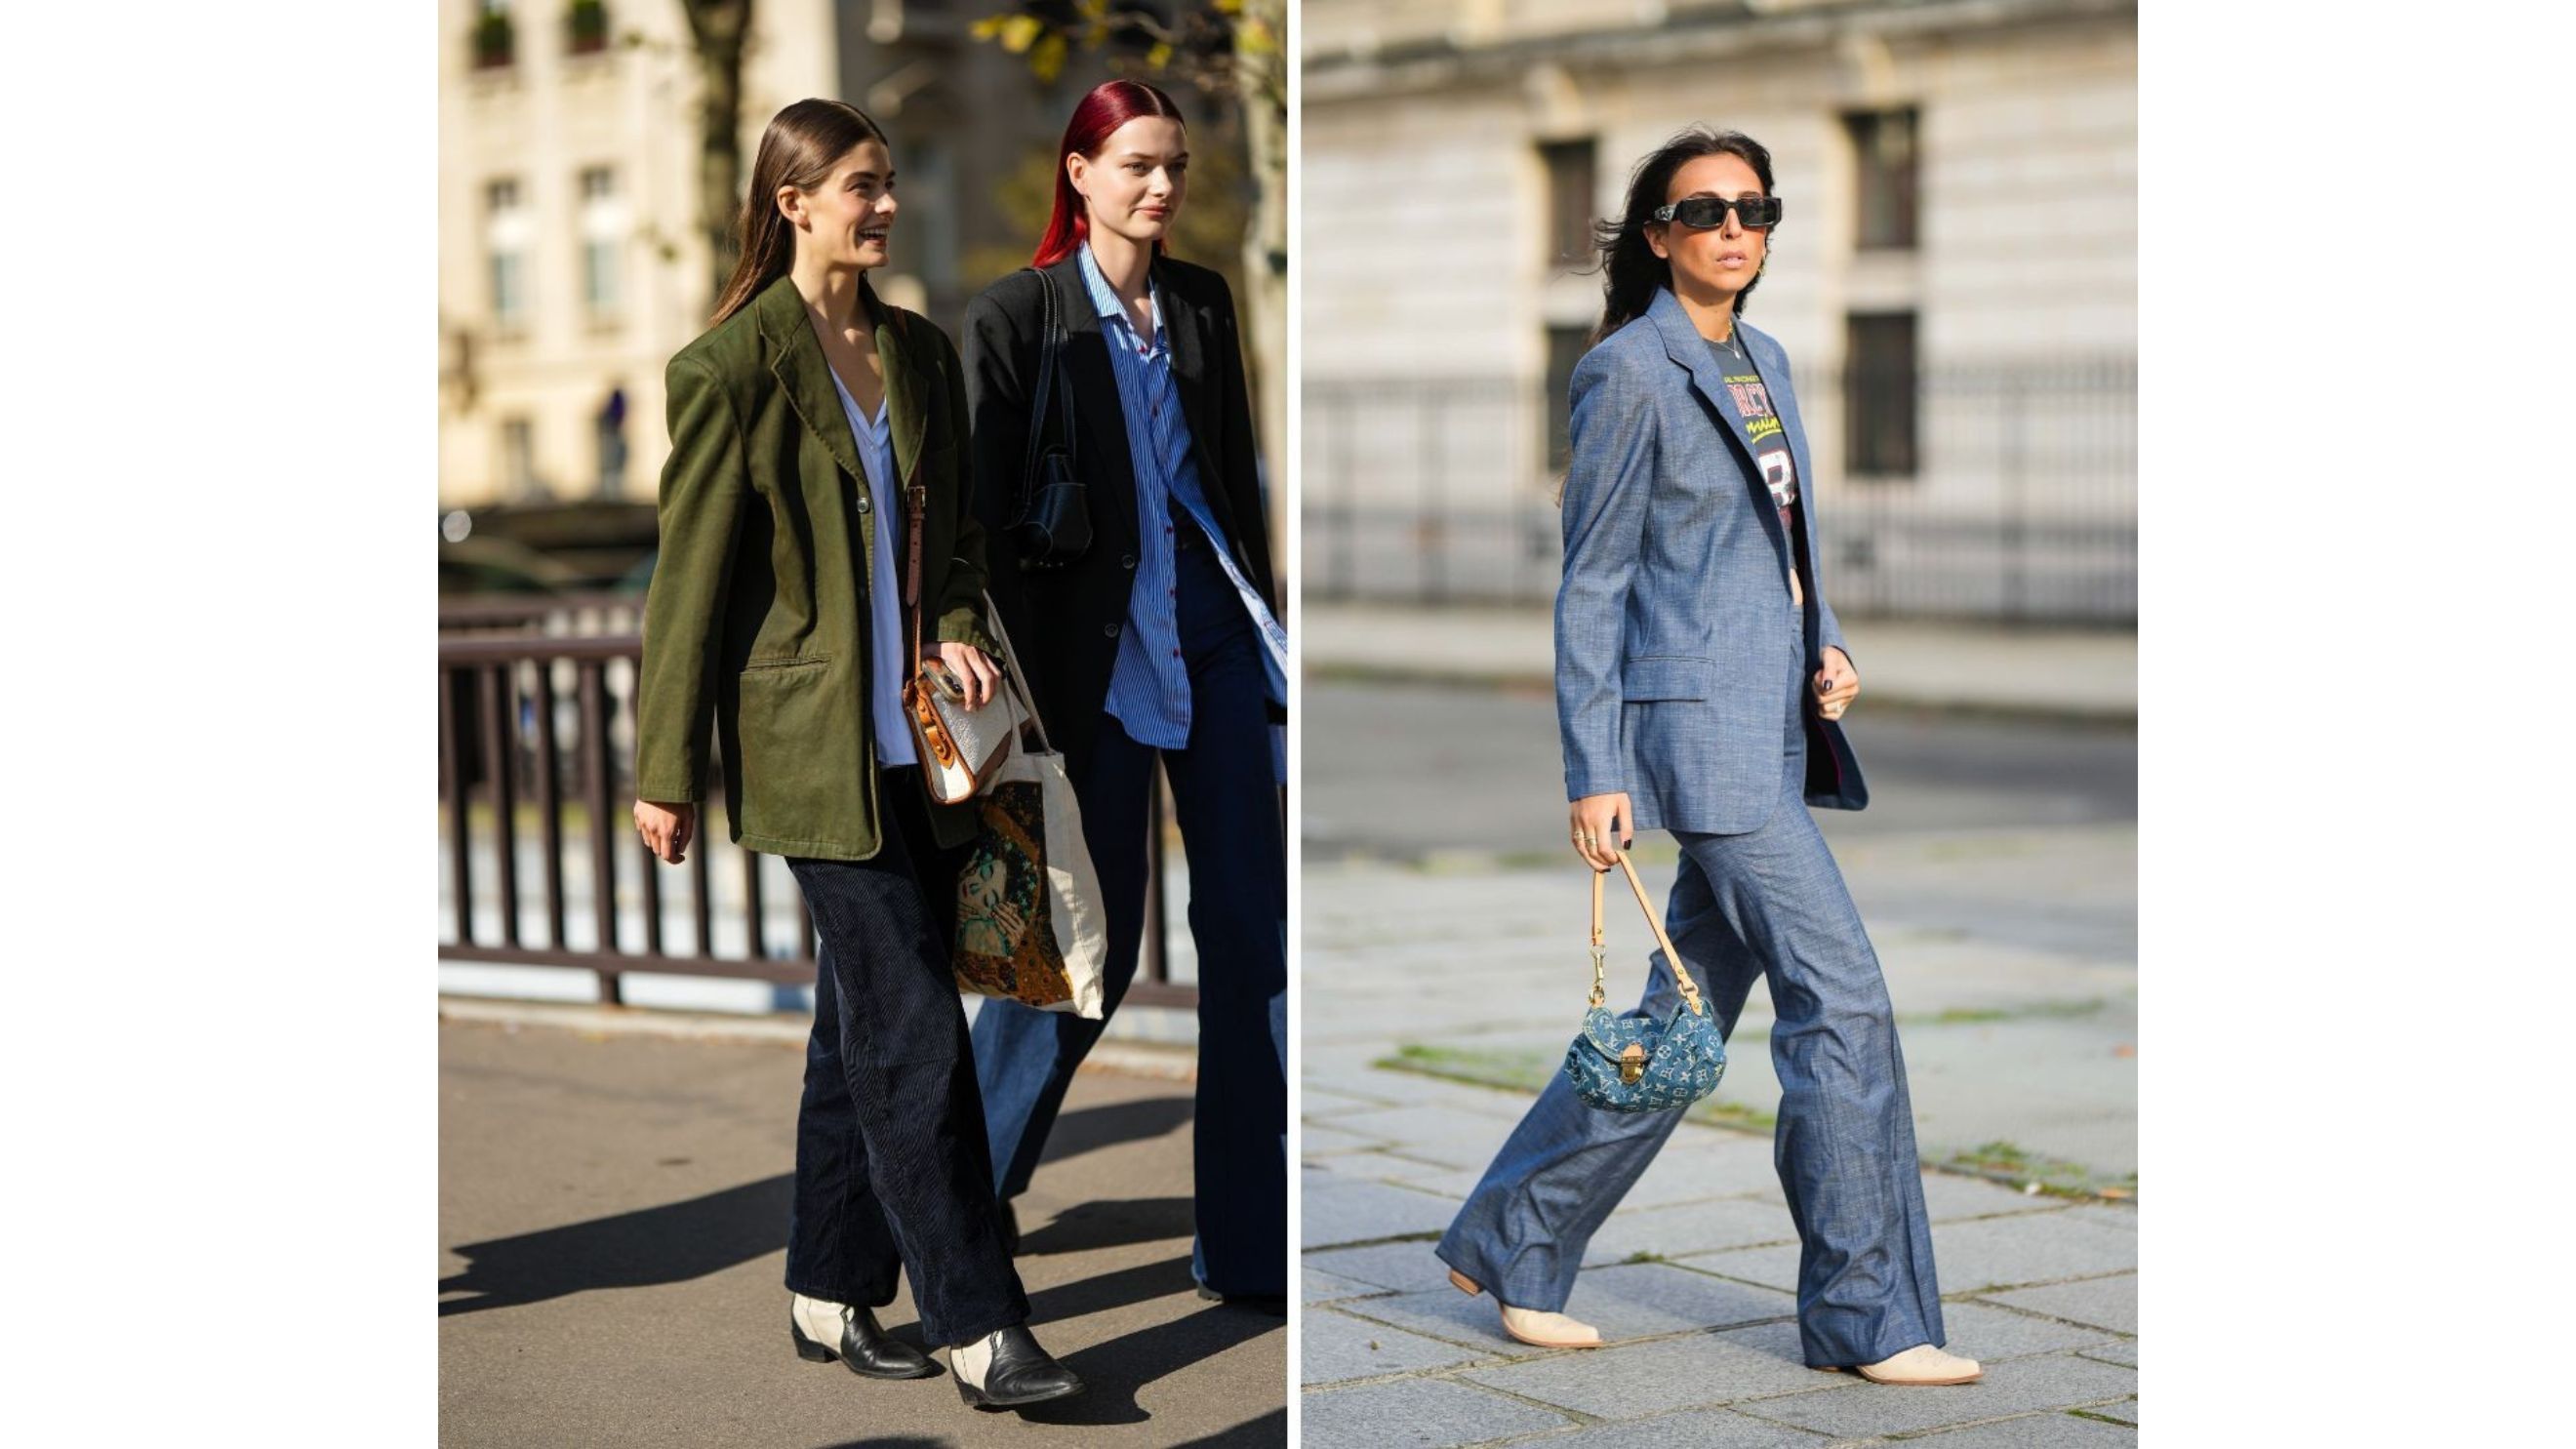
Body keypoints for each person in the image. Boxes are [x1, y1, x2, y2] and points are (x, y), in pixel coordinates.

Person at [1432, 127, 1980, 1388]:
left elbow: (1782, 543)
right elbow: (1594, 583)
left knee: (1682, 1014)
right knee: (1842, 1000)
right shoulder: (1631, 372)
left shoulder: (1767, 358)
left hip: (1770, 726)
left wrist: (1823, 645)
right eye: (1707, 208)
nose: (1737, 227)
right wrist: (1594, 768)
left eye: (1756, 207)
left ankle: (1513, 1238)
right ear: (1659, 233)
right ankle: (1868, 1317)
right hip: (1700, 746)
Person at [629, 98, 1082, 1412]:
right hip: (807, 758)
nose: (885, 206)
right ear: (794, 203)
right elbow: (691, 587)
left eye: (890, 182)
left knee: (858, 1031)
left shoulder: (922, 356)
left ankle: (829, 1288)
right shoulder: (729, 370)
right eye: (861, 187)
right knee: (912, 1034)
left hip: (925, 755)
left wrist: (950, 628)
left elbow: (953, 552)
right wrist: (666, 769)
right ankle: (980, 1322)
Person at [960, 79, 1289, 1309]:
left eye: (1177, 167)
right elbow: (981, 517)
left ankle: (1249, 1243)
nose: (1161, 187)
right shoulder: (1020, 316)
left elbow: (1235, 489)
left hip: (1209, 636)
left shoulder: (1201, 303)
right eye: (1137, 165)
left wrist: (1265, 640)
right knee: (1088, 950)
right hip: (1087, 666)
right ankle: (962, 1195)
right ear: (1080, 173)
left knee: (1256, 944)